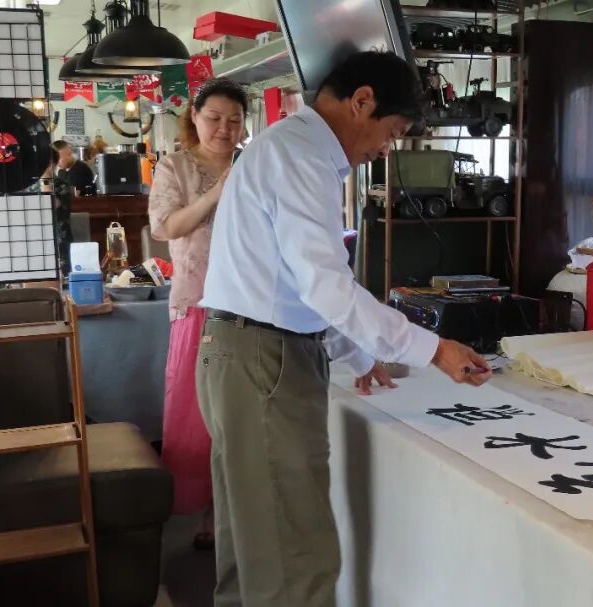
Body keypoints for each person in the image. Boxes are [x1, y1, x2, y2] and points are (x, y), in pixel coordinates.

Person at [197, 51, 492, 606]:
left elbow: (293, 286)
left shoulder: (288, 149)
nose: (385, 150)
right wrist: (433, 349)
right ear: (361, 102)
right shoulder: (301, 156)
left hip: (244, 351)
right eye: (392, 132)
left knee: (255, 551)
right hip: (263, 362)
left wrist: (359, 356)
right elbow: (325, 287)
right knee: (294, 560)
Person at [148, 77, 248, 551]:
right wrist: (217, 193)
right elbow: (166, 227)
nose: (224, 129)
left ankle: (229, 511)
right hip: (198, 303)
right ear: (194, 116)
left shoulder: (254, 164)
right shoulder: (176, 167)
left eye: (234, 120)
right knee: (195, 412)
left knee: (239, 414)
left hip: (249, 304)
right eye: (214, 118)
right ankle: (203, 511)